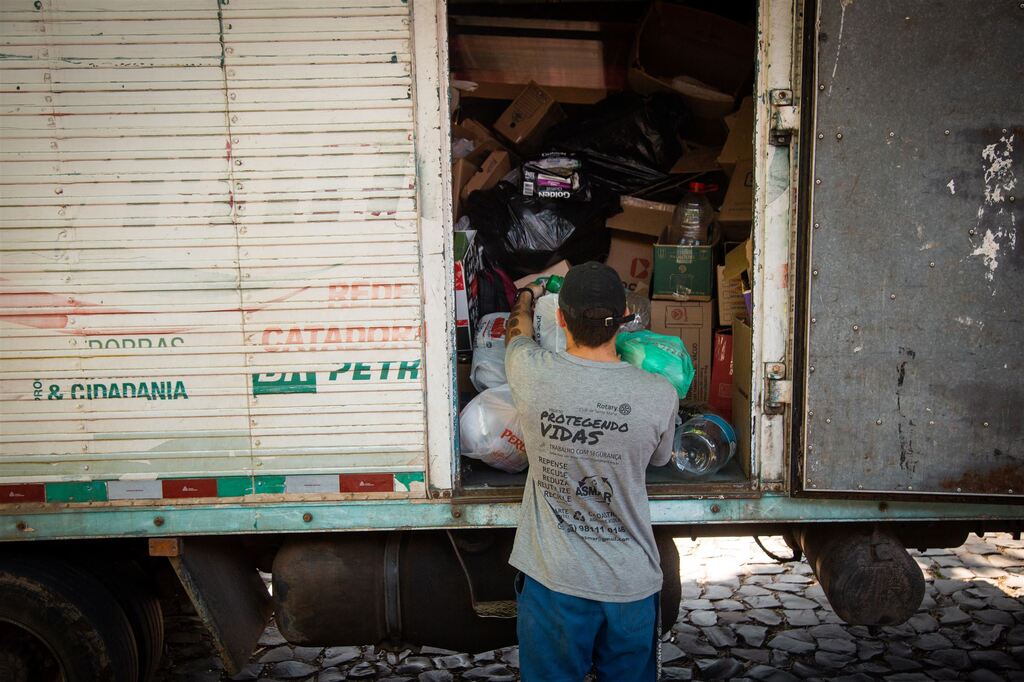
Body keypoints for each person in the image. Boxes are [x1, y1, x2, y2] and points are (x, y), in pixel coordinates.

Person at [503, 261, 679, 682]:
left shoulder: (529, 372)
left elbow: (517, 332)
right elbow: (658, 460)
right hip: (630, 586)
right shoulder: (660, 393)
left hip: (554, 584)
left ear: (561, 319)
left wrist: (526, 296)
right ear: (625, 319)